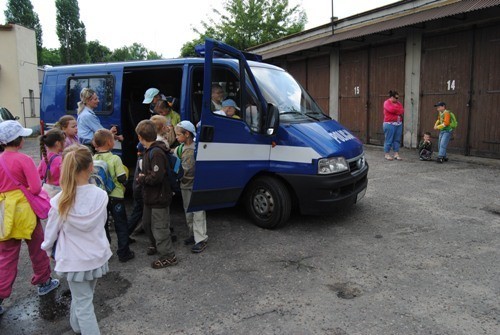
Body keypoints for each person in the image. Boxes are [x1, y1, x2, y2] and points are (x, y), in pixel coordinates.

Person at [41, 145, 112, 335]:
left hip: (74, 260)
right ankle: (76, 326)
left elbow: (51, 233)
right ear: (91, 167)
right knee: (84, 298)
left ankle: (82, 328)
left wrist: (48, 251)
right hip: (97, 255)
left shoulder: (59, 200)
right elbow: (102, 224)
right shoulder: (101, 195)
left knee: (83, 302)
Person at [0, 121, 59, 316]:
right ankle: (44, 282)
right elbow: (35, 188)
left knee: (6, 257)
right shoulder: (23, 159)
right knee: (37, 247)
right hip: (25, 210)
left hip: (5, 211)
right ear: (19, 140)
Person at [135, 120, 177, 268]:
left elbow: (157, 177)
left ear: (140, 137)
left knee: (160, 227)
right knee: (147, 223)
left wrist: (142, 178)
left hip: (159, 196)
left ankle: (168, 256)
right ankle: (157, 246)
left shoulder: (156, 152)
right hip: (150, 196)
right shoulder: (149, 150)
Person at [92, 129, 135, 262]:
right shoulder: (115, 158)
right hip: (116, 196)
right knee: (120, 224)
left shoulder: (94, 158)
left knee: (103, 224)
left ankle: (105, 251)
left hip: (101, 197)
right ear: (110, 143)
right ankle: (124, 253)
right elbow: (122, 177)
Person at [174, 121, 208, 253]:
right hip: (184, 184)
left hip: (196, 184)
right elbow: (177, 165)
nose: (176, 137)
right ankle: (193, 233)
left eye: (178, 134)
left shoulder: (197, 148)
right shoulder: (180, 148)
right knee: (188, 211)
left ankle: (201, 239)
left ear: (187, 134)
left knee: (198, 212)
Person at [38, 128, 65, 198]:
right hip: (59, 192)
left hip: (47, 191)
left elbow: (39, 174)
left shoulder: (44, 158)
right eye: (64, 141)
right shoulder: (60, 160)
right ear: (58, 143)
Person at [383, 90, 404, 161]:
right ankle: (387, 154)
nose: (397, 99)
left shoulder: (398, 103)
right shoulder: (386, 103)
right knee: (389, 139)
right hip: (389, 124)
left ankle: (396, 153)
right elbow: (391, 109)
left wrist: (397, 110)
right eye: (396, 98)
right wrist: (397, 110)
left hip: (398, 124)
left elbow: (402, 110)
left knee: (397, 140)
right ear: (392, 97)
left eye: (398, 98)